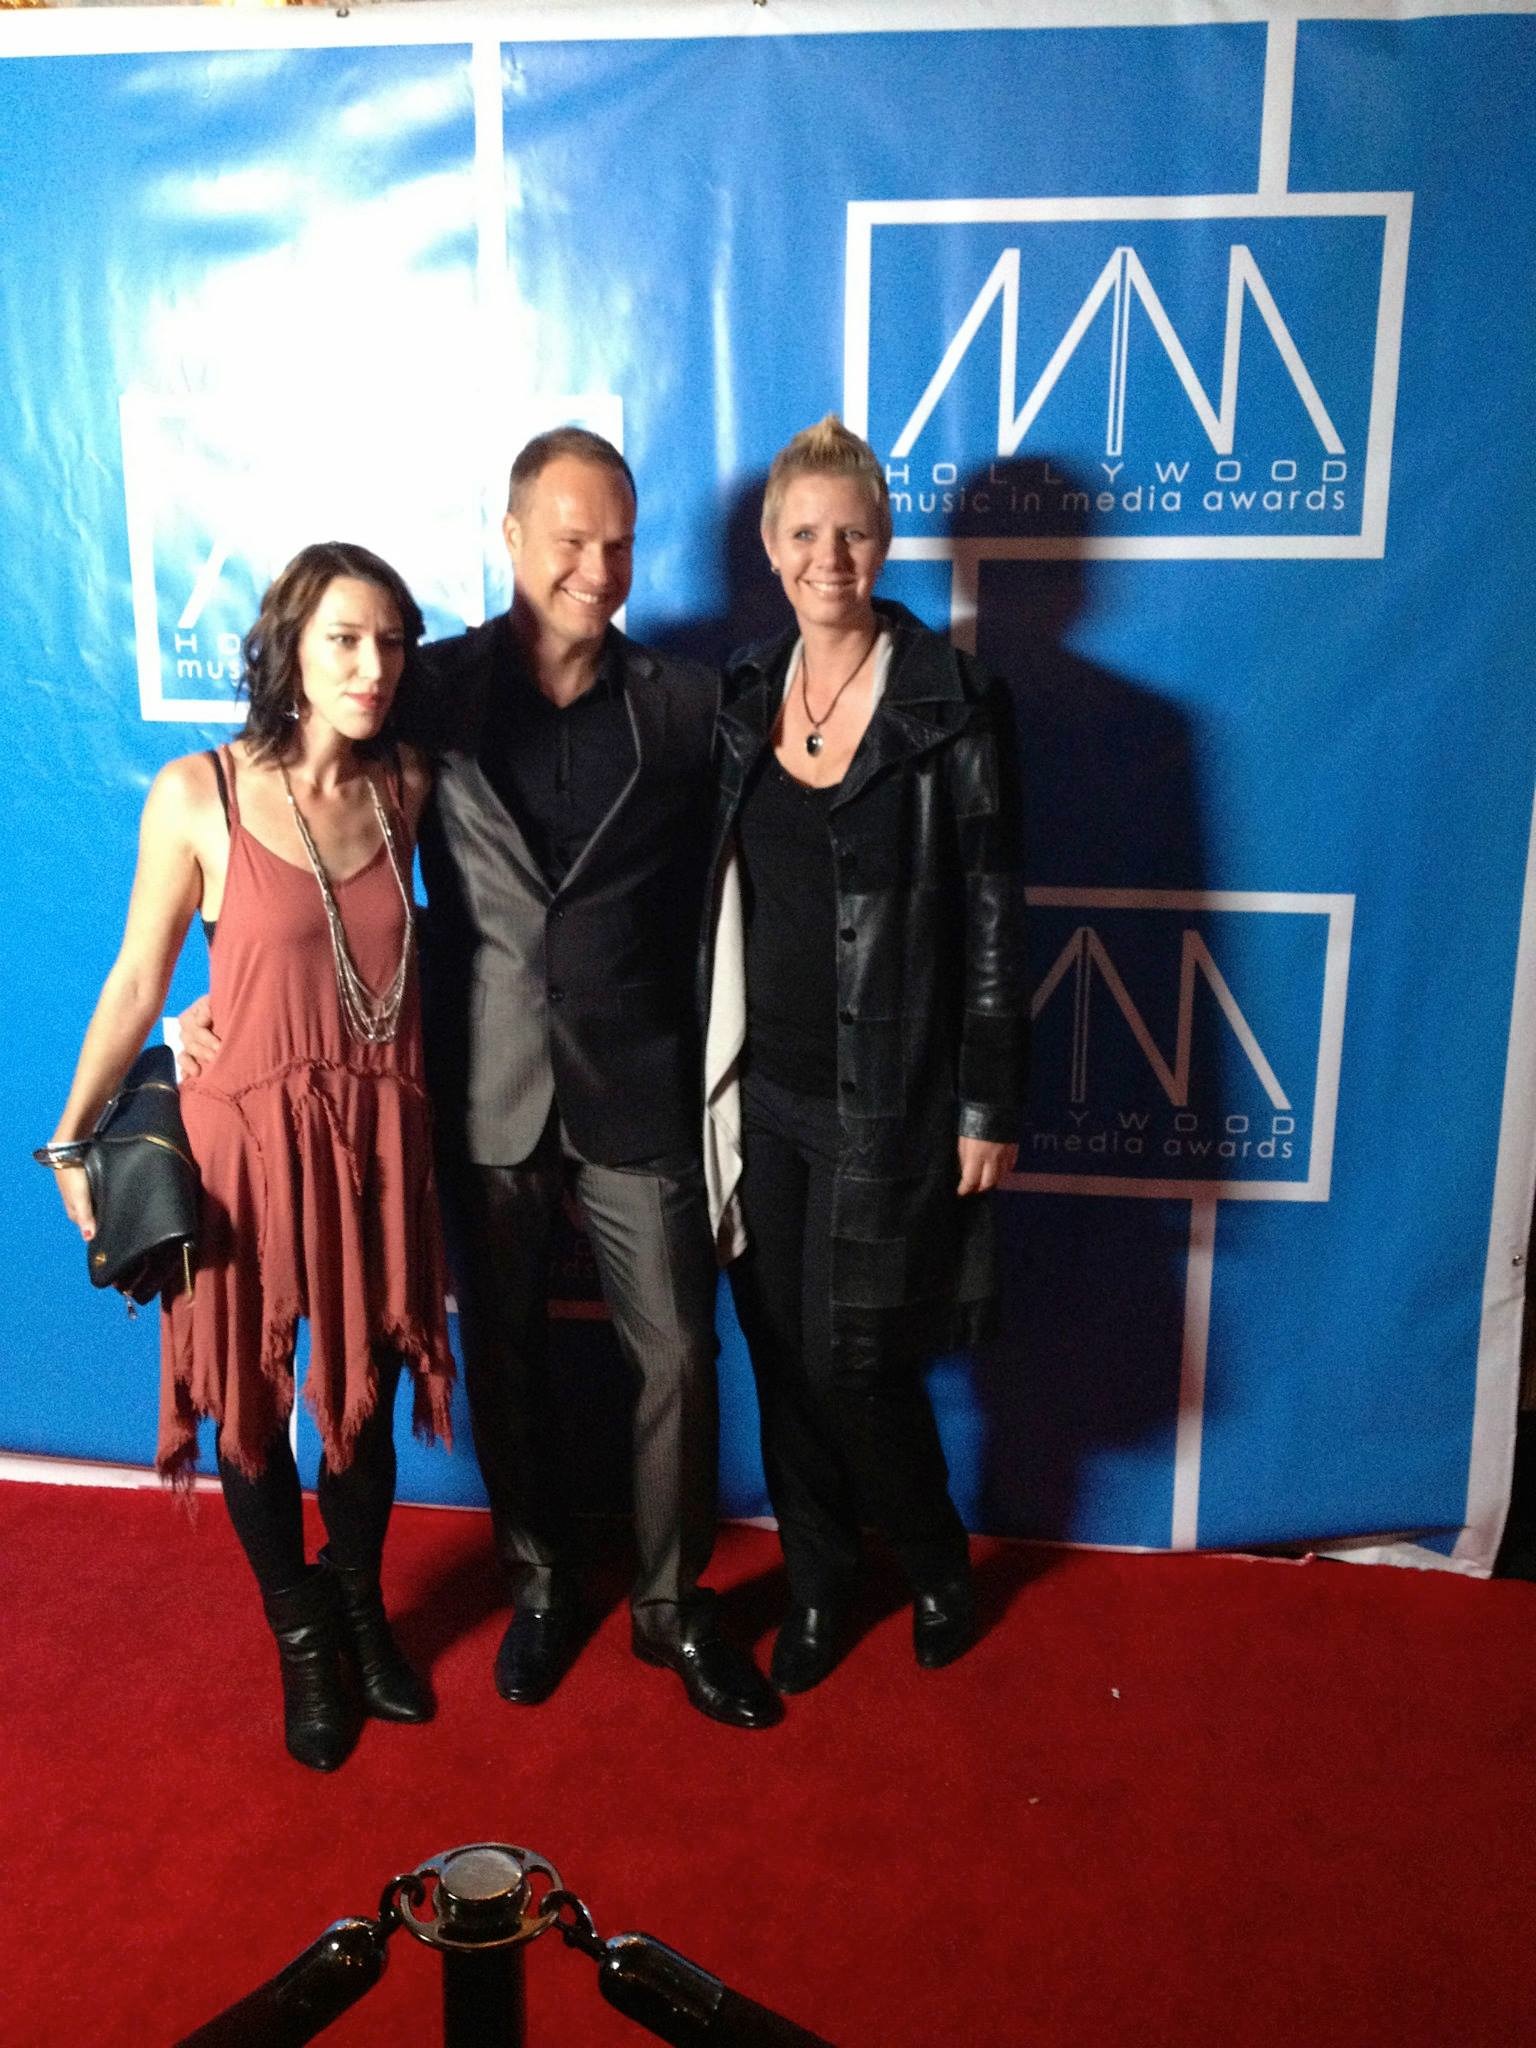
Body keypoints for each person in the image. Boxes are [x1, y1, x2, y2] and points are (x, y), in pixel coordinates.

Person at [42, 542, 456, 1772]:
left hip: (377, 1132)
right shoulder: (198, 792)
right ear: (288, 647)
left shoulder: (411, 785)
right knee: (249, 1408)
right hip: (242, 1144)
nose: (370, 666)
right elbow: (136, 977)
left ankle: (365, 1609)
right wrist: (75, 1132)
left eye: (388, 641)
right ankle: (300, 1638)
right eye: (342, 639)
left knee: (365, 1403)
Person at [386, 429, 776, 1729]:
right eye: (569, 539)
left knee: (676, 1352)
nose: (597, 568)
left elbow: (781, 856)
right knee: (501, 1352)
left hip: (639, 1074)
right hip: (483, 1070)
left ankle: (671, 1607)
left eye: (616, 541)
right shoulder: (425, 690)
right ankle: (542, 1580)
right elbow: (311, 816)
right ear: (510, 538)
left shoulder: (688, 700)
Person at [703, 416, 1029, 1694]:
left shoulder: (956, 699)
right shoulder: (737, 695)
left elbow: (999, 910)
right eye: (804, 533)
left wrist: (989, 1096)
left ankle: (937, 1557)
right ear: (772, 551)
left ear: (885, 539)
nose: (830, 554)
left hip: (887, 1101)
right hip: (758, 1093)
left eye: (853, 530)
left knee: (858, 1357)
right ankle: (824, 1575)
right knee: (780, 1350)